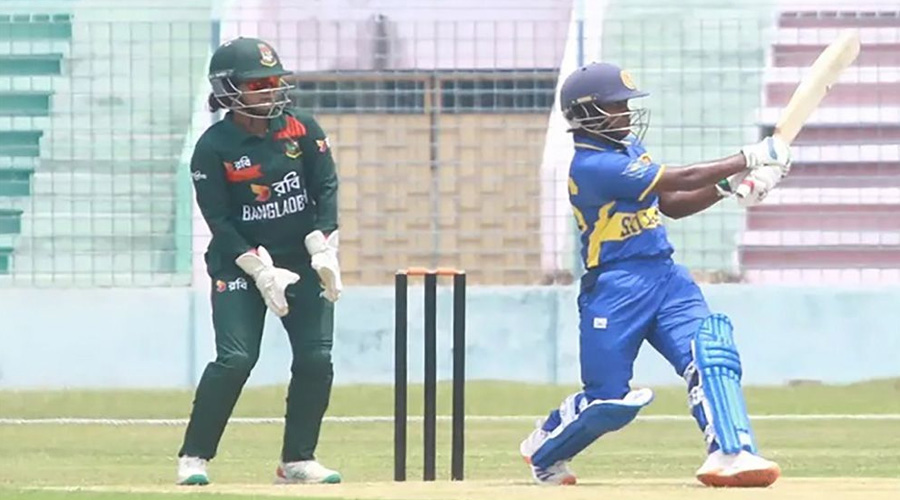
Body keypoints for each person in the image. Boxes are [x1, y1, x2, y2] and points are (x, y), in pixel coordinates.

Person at [518, 62, 789, 488]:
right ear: (585, 112)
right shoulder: (591, 166)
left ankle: (732, 453)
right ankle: (546, 448)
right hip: (615, 287)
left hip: (665, 276)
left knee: (711, 352)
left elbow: (672, 204)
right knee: (609, 402)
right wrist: (749, 157)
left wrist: (730, 187)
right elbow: (684, 176)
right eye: (615, 106)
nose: (626, 113)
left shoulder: (628, 149)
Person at [176, 36, 343, 486]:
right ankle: (194, 457)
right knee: (235, 358)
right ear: (229, 89)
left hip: (301, 259)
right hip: (239, 262)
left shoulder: (302, 129)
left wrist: (323, 245)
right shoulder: (213, 147)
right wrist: (257, 268)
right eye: (258, 84)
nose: (271, 90)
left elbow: (326, 187)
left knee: (316, 358)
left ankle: (297, 460)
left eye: (274, 81)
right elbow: (219, 220)